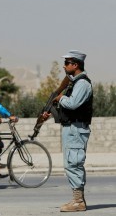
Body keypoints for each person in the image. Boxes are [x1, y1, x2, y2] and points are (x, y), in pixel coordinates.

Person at [42, 50, 93, 212]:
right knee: (71, 164)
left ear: (75, 65)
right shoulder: (74, 83)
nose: (64, 66)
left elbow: (72, 104)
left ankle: (78, 202)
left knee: (74, 163)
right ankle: (77, 199)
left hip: (77, 129)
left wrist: (60, 98)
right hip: (71, 128)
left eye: (67, 63)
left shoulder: (83, 83)